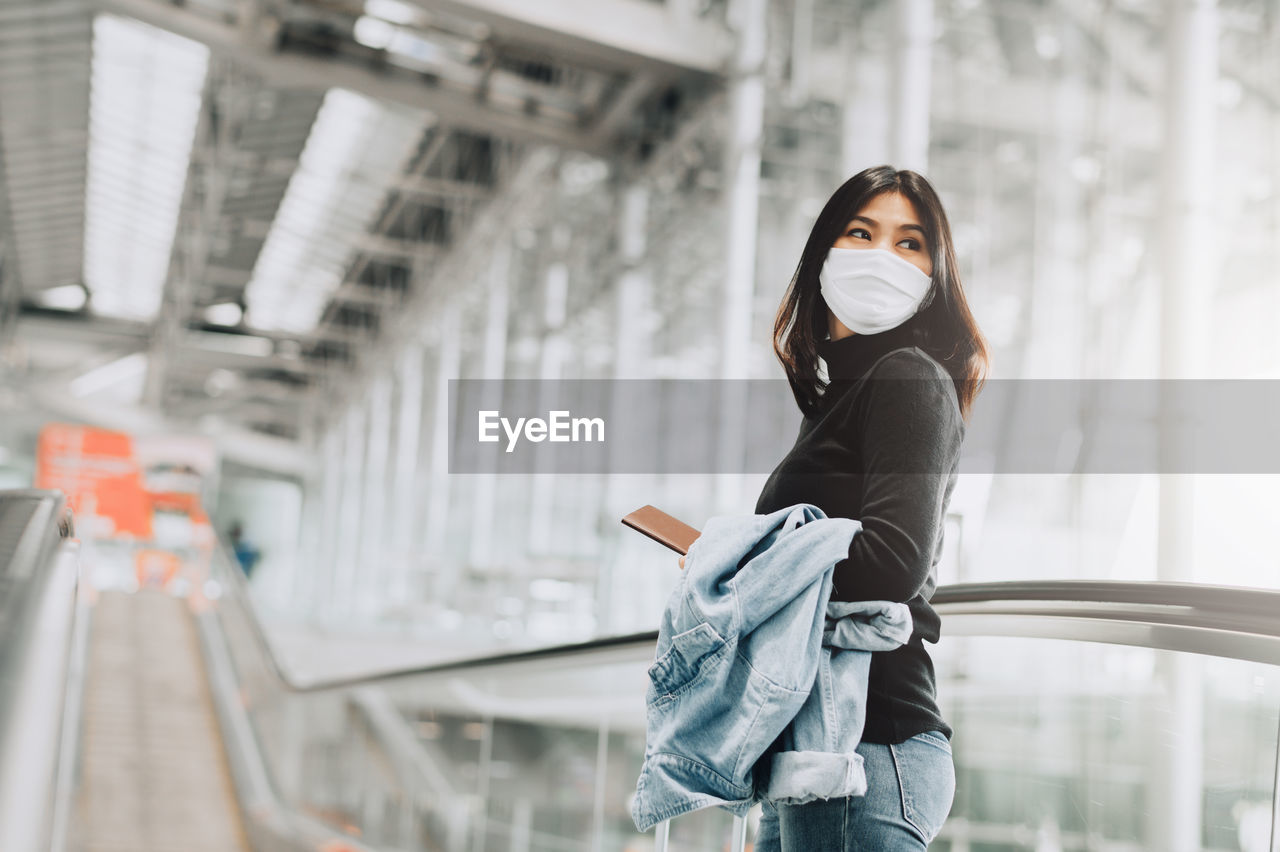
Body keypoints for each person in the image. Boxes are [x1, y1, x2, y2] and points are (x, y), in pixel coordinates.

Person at [681, 165, 989, 850]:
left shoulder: (906, 377)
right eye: (861, 232)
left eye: (910, 243)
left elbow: (891, 565)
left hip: (868, 749)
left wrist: (745, 566)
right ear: (824, 252)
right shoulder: (838, 400)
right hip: (814, 747)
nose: (883, 256)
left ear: (934, 275)